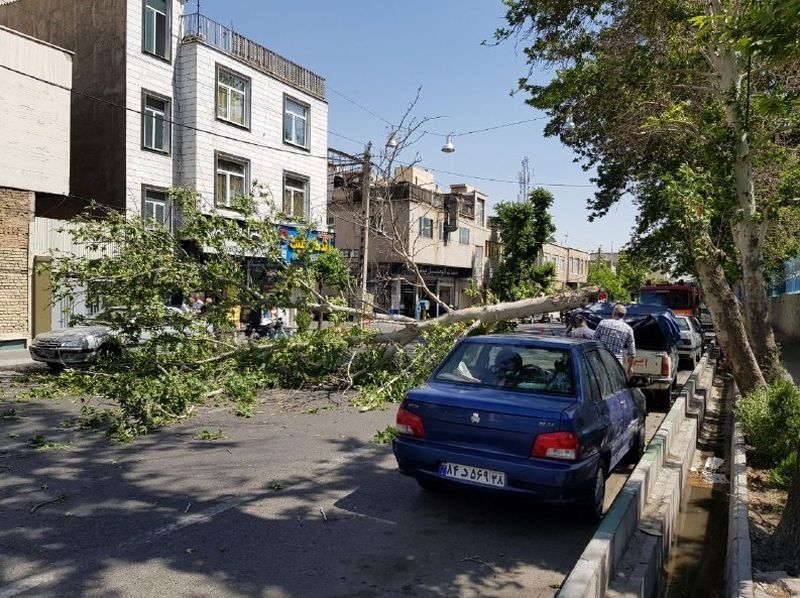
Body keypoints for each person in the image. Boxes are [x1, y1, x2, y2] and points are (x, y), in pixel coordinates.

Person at [593, 303, 636, 375]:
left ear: (614, 313)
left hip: (601, 360)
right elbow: (631, 352)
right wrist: (630, 367)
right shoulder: (628, 329)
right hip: (617, 364)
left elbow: (594, 341)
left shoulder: (603, 323)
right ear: (624, 316)